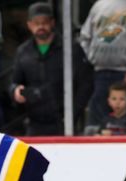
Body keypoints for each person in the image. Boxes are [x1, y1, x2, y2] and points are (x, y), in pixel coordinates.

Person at [10, 2, 94, 135]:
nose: (41, 26)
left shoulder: (71, 49)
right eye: (36, 23)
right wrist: (16, 91)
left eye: (44, 22)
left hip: (64, 124)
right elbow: (15, 82)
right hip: (34, 123)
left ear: (52, 23)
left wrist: (72, 115)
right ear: (29, 25)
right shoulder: (23, 52)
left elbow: (86, 84)